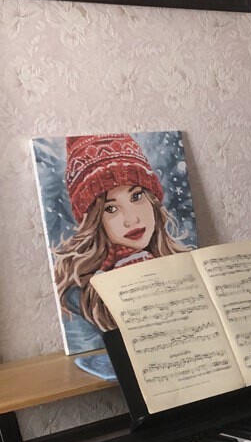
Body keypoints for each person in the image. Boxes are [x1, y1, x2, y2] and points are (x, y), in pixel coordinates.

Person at [53, 134, 189, 341]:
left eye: (136, 196)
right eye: (111, 208)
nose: (131, 219)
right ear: (94, 221)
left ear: (152, 200)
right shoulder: (82, 296)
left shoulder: (181, 263)